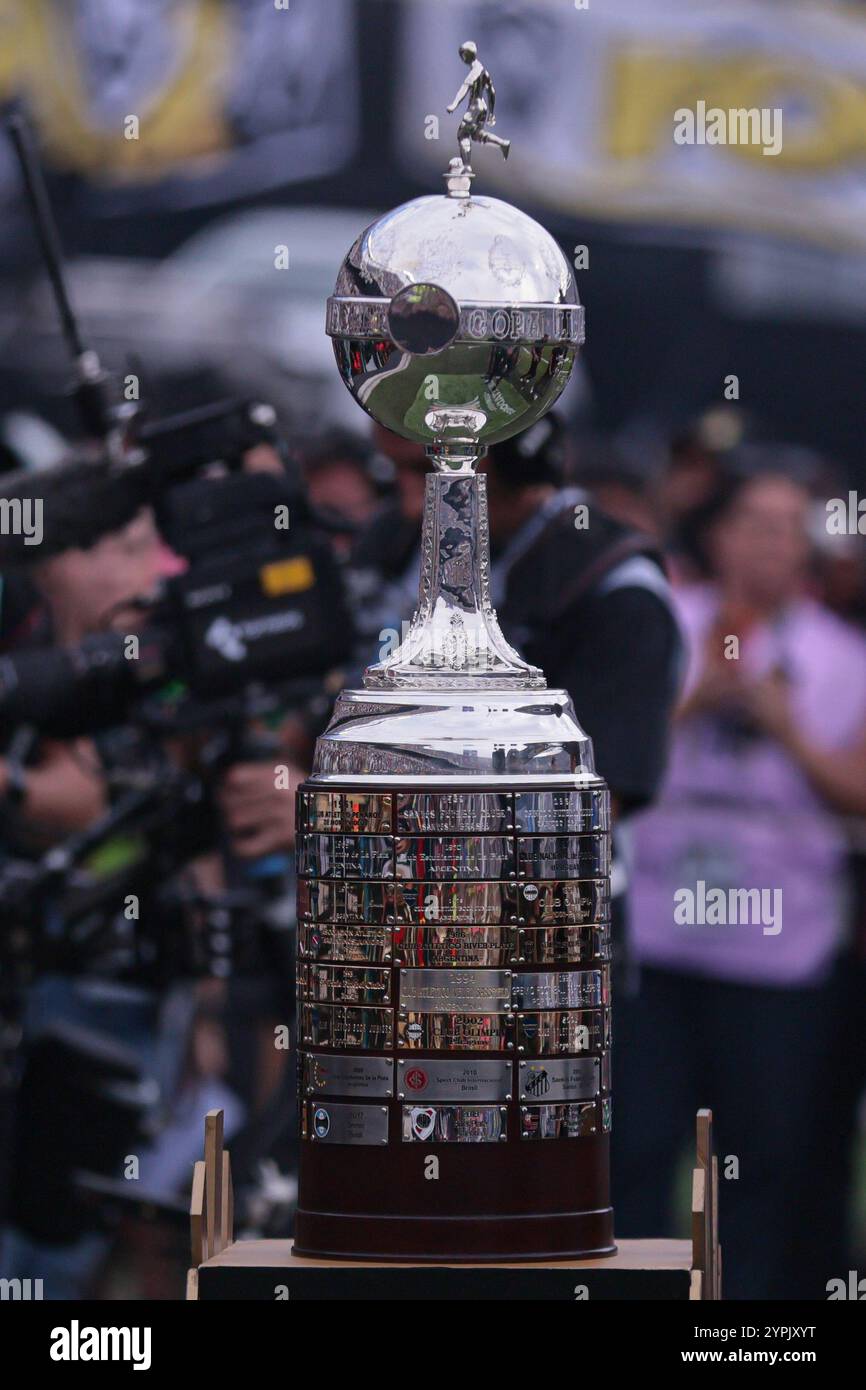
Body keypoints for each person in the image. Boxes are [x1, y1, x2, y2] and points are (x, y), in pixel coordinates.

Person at [616, 467, 866, 1299]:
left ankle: (744, 1324)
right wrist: (693, 702)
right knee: (637, 1145)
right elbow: (603, 754)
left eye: (789, 526)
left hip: (777, 953)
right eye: (753, 522)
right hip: (654, 938)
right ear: (715, 532)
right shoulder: (663, 626)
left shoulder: (843, 655)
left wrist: (787, 726)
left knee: (762, 1158)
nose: (769, 542)